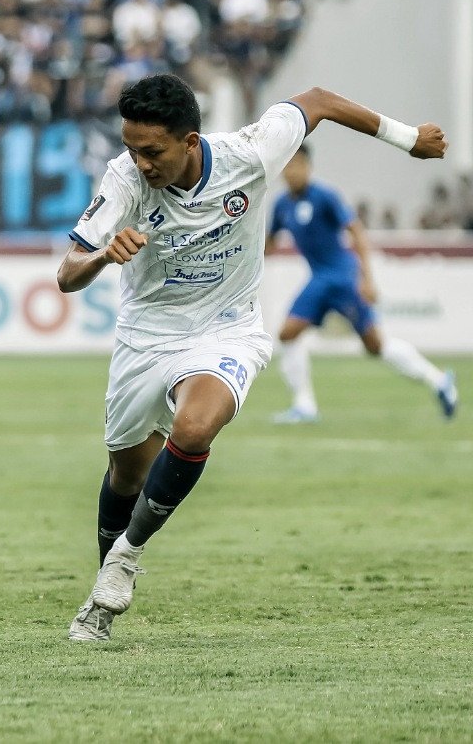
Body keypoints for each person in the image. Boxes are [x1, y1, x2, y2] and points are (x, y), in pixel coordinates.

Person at [56, 74, 447, 642]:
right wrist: (102, 258)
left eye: (152, 151)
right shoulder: (123, 181)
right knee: (125, 474)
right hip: (145, 337)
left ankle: (126, 558)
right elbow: (67, 274)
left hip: (226, 330)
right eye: (132, 148)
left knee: (194, 426)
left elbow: (319, 101)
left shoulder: (250, 153)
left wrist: (407, 137)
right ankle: (102, 584)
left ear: (190, 141)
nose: (139, 162)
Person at [266, 145, 457, 423]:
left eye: (297, 165)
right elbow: (269, 246)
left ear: (309, 166)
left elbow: (356, 230)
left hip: (343, 277)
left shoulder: (325, 197)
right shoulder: (282, 205)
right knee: (287, 333)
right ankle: (304, 406)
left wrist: (367, 277)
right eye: (287, 167)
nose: (291, 172)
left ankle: (439, 381)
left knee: (376, 345)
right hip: (319, 280)